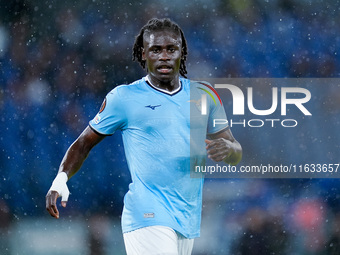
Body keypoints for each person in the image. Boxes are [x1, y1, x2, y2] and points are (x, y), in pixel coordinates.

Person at [46, 18, 242, 255]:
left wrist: (228, 149)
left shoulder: (205, 94)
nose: (164, 56)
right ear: (143, 54)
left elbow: (234, 150)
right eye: (156, 50)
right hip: (147, 213)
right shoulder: (124, 98)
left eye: (171, 49)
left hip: (187, 216)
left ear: (183, 52)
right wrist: (61, 178)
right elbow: (84, 143)